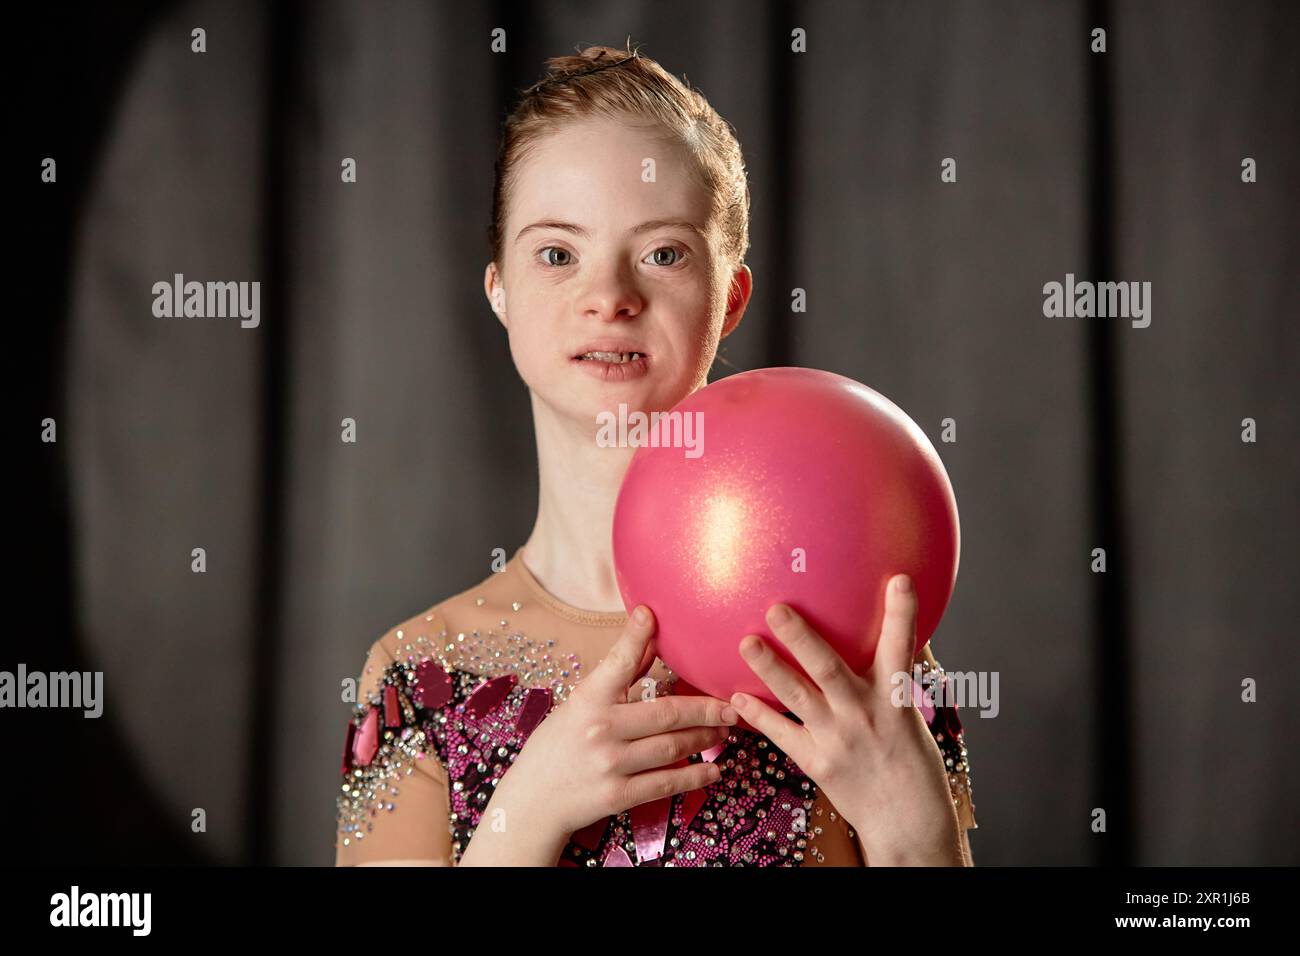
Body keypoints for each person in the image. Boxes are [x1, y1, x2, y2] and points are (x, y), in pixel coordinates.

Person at [335, 42, 976, 867]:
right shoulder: (415, 676)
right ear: (499, 289)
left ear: (730, 296)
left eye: (663, 253)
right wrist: (525, 813)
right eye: (558, 253)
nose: (610, 296)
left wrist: (915, 835)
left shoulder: (855, 652)